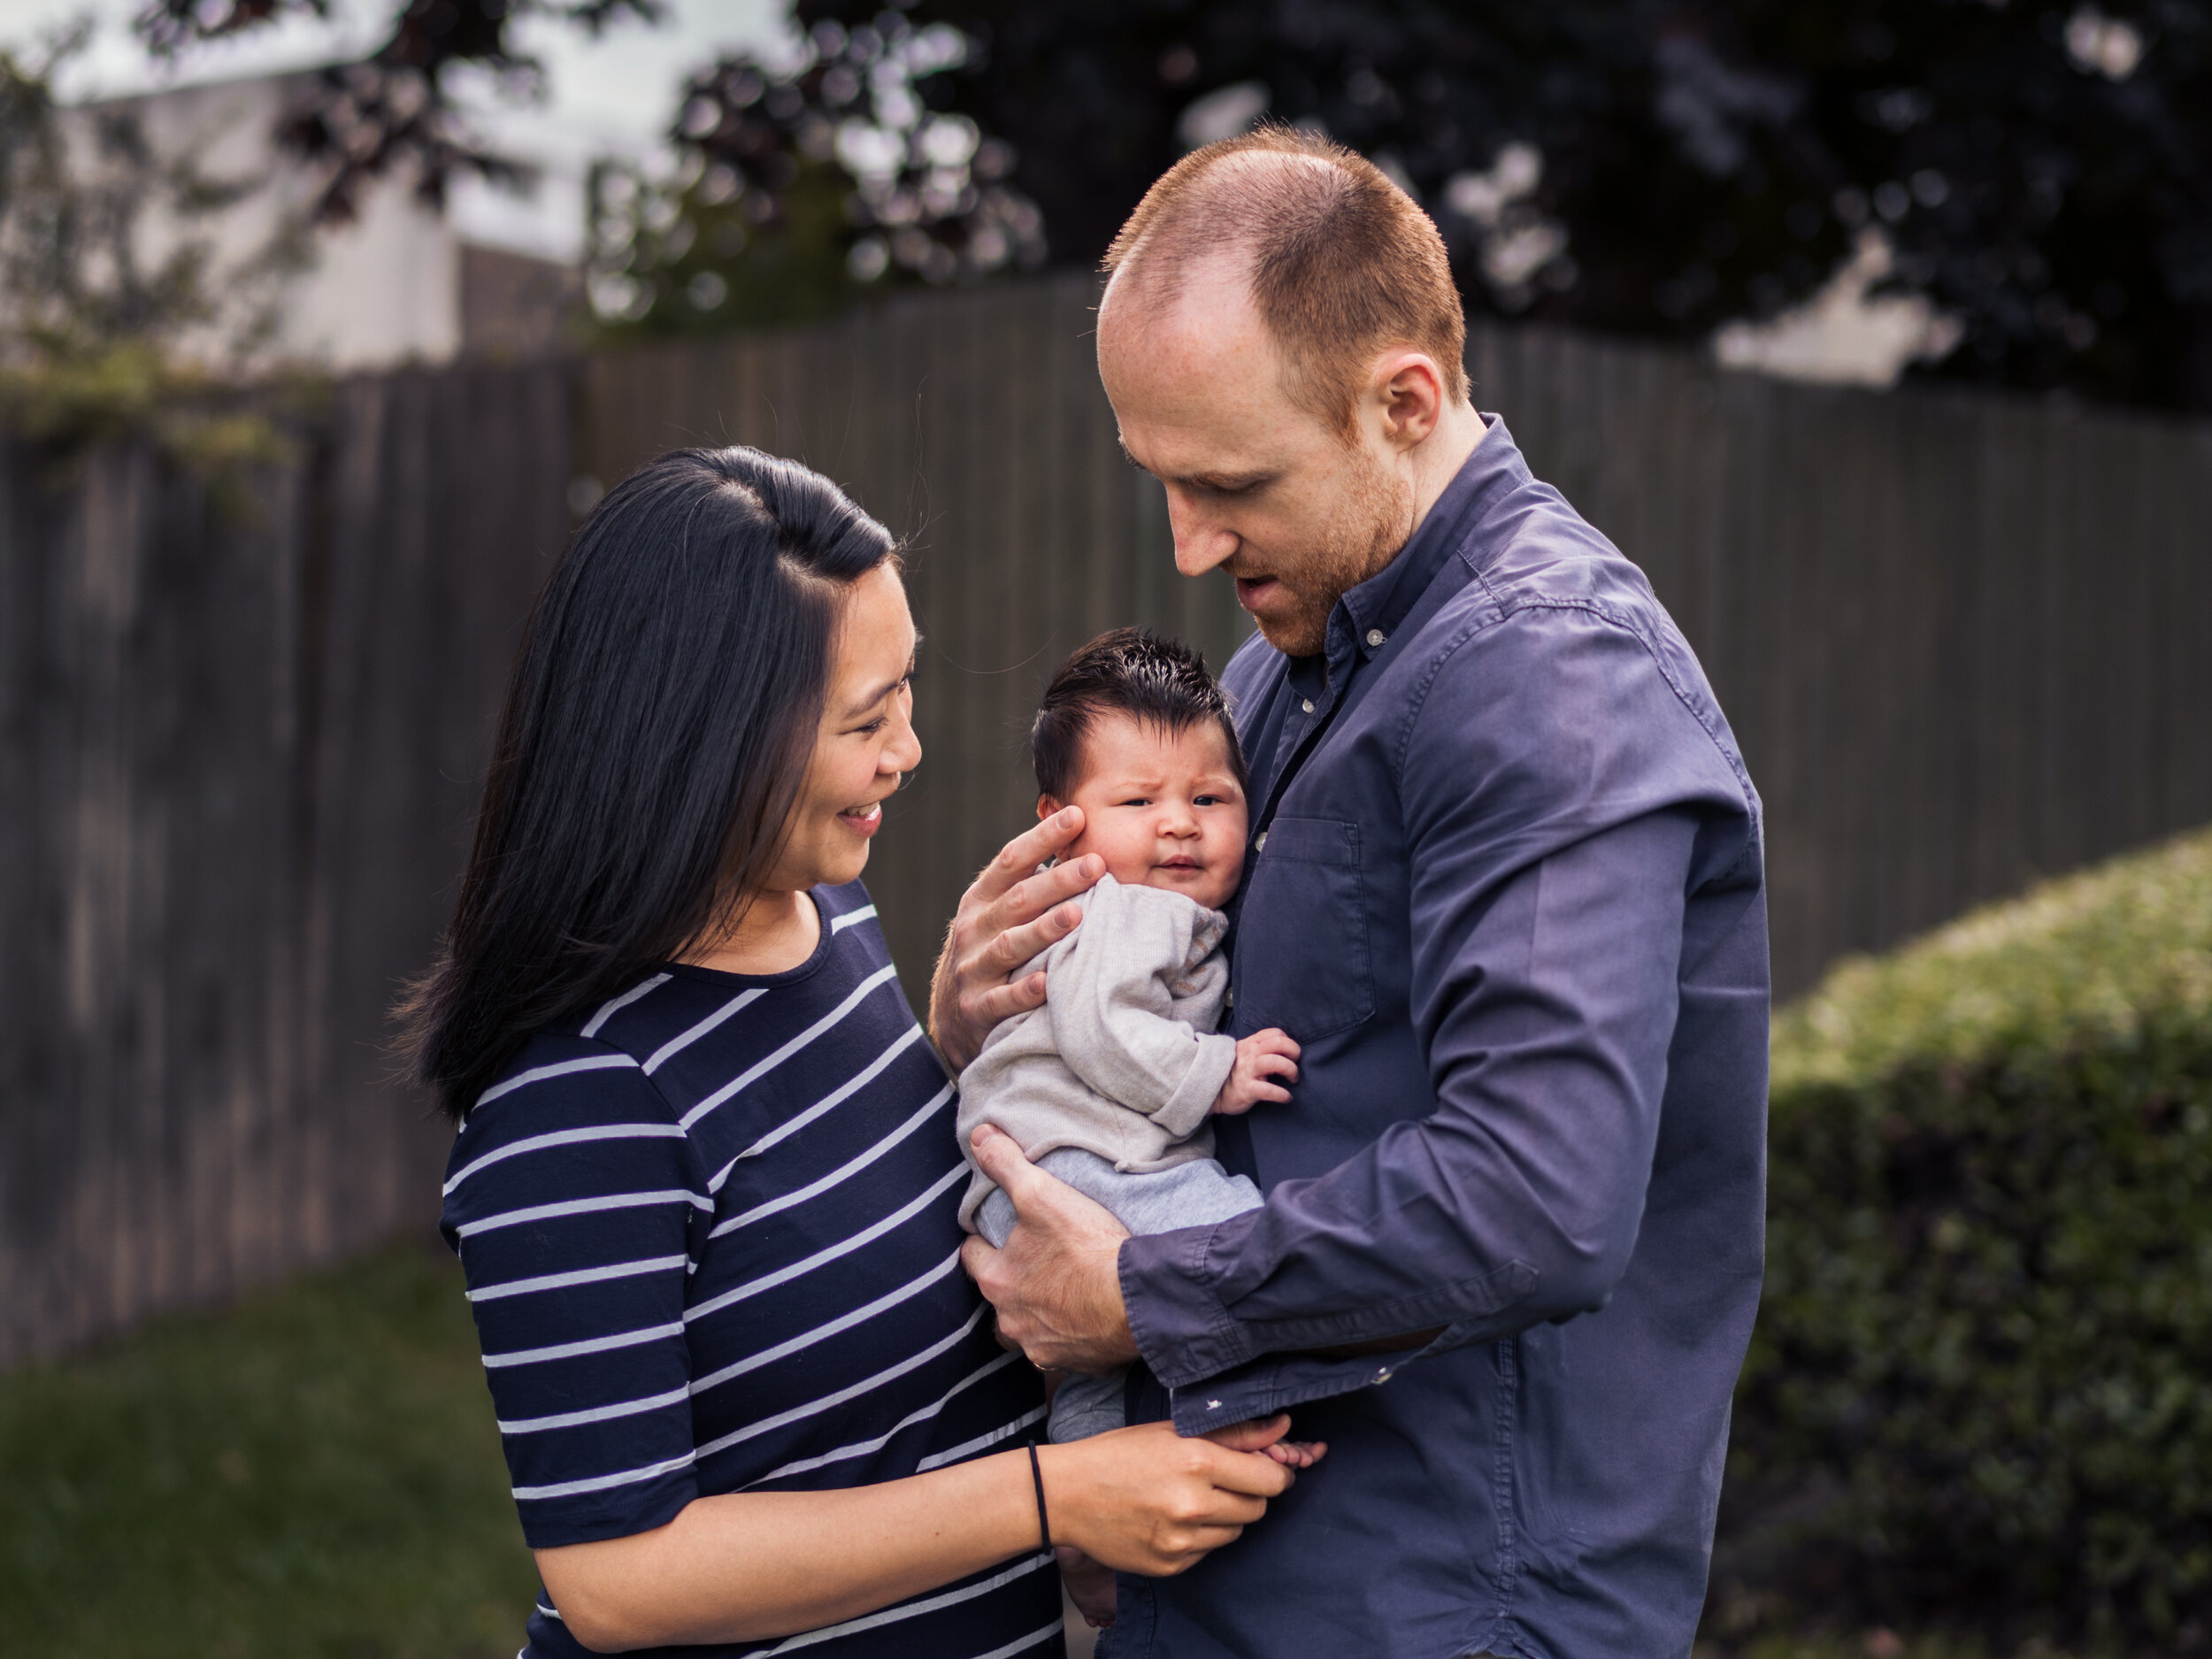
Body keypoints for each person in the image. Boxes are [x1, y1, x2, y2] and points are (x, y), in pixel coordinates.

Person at [936, 128, 1770, 1658]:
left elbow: (1537, 1199)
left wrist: (1145, 1294)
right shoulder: (1285, 669)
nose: (1189, 546)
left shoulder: (1547, 683)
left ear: (1404, 402)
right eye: (1163, 483)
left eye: (1231, 482)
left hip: (1448, 1601)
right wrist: (998, 1015)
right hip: (1256, 1573)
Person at [403, 447, 1308, 1659]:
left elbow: (818, 1208)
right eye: (868, 719)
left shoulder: (824, 918)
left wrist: (962, 1050)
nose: (910, 750)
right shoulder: (578, 1097)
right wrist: (1056, 1494)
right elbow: (619, 1574)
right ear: (707, 741)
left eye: (908, 696)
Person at [956, 628, 1310, 1453]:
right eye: (1138, 802)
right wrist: (1216, 1069)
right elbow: (1102, 1027)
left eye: (1210, 799)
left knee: (1093, 1370)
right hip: (1073, 1161)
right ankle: (1247, 1407)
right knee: (1236, 1233)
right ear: (1061, 823)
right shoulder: (1130, 907)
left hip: (1036, 1170)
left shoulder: (1136, 903)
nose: (1179, 826)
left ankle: (1089, 1488)